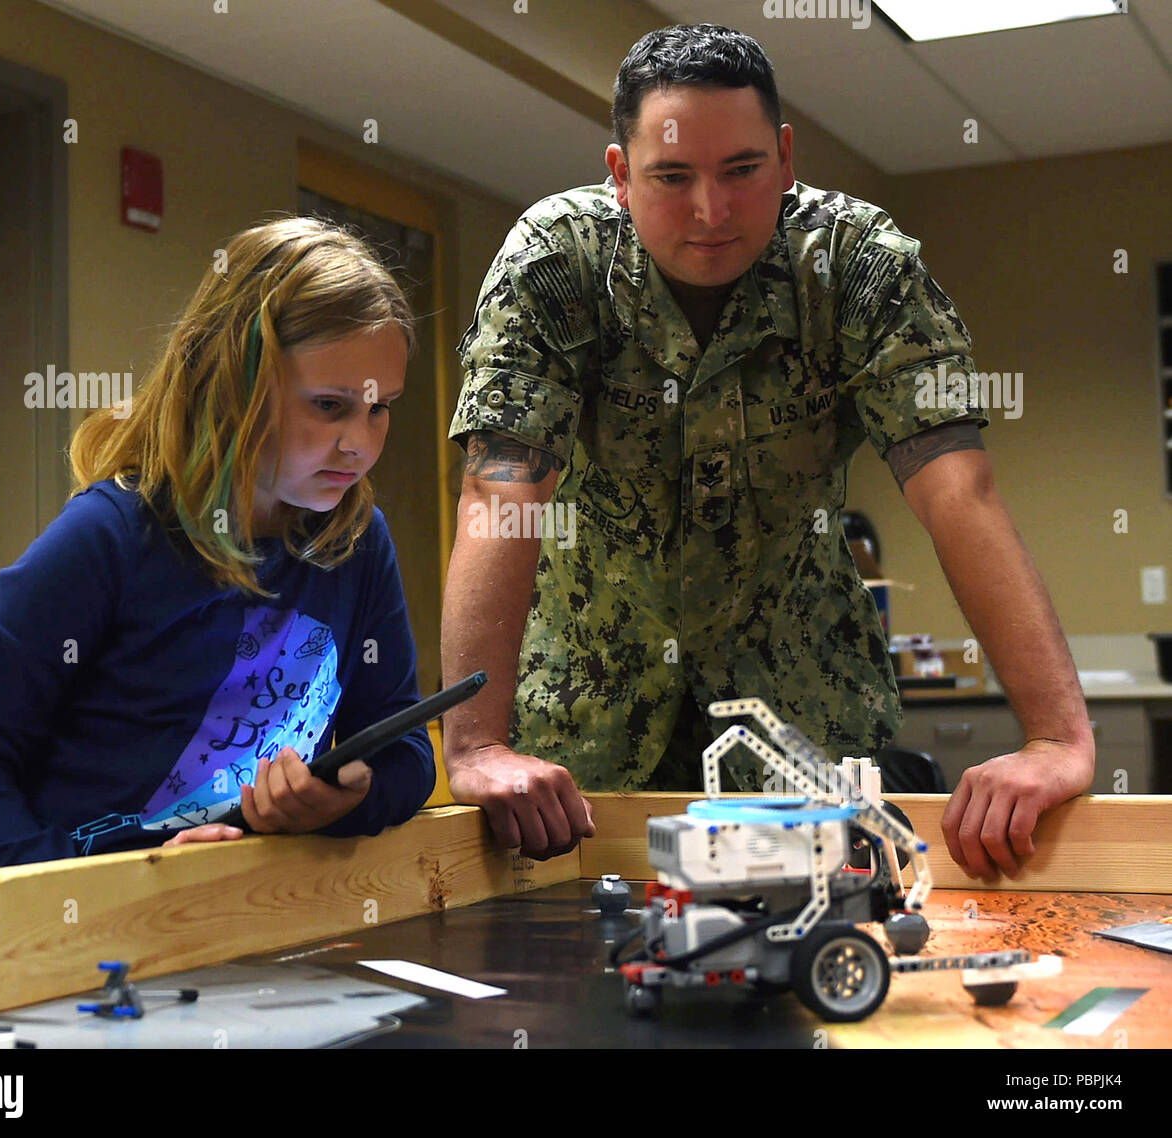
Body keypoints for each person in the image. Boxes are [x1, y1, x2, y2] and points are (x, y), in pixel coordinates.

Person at [440, 24, 1094, 879]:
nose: (710, 211)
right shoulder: (557, 263)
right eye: (671, 177)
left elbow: (956, 489)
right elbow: (502, 492)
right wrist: (479, 743)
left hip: (802, 720)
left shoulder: (858, 266)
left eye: (741, 171)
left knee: (819, 969)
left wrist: (1057, 736)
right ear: (619, 174)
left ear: (785, 157)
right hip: (584, 732)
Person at [0, 216, 434, 874]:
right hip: (58, 933)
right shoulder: (106, 538)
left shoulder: (359, 540)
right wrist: (81, 905)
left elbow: (405, 753)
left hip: (211, 915)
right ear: (233, 384)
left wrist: (346, 800)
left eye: (380, 406)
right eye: (329, 406)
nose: (360, 442)